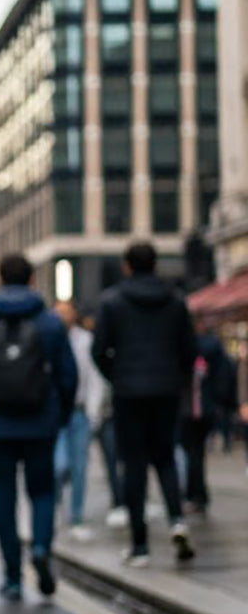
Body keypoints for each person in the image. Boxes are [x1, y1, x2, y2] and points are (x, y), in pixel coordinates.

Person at [0, 253, 77, 601]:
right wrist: (62, 413)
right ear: (32, 279)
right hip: (40, 422)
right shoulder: (51, 323)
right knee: (42, 492)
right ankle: (40, 547)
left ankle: (12, 577)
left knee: (4, 499)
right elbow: (68, 375)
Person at [92, 241, 197, 566]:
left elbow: (99, 351)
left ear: (127, 265)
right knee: (164, 458)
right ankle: (177, 521)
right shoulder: (176, 301)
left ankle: (140, 546)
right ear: (155, 265)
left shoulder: (112, 302)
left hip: (129, 392)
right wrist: (175, 380)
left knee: (133, 465)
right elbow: (189, 351)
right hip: (166, 391)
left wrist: (118, 376)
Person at [53, 300, 104, 540]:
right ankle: (54, 507)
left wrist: (93, 411)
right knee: (58, 465)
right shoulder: (47, 337)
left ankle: (76, 516)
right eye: (58, 312)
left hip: (79, 412)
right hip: (55, 415)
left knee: (79, 467)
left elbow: (94, 378)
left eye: (66, 311)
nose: (63, 316)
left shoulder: (86, 340)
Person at [179, 316, 234, 515]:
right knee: (196, 454)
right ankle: (196, 494)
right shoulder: (213, 348)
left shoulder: (186, 347)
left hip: (191, 410)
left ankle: (194, 494)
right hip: (203, 409)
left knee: (192, 453)